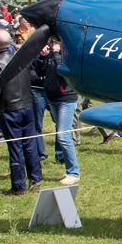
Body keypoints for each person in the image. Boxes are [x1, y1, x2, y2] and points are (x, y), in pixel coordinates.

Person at [0, 29, 41, 195]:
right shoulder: (21, 59)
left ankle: (18, 185)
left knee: (15, 147)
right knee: (29, 144)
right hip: (27, 106)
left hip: (10, 109)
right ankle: (35, 179)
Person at [42, 39, 80, 185]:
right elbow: (41, 71)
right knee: (61, 135)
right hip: (52, 97)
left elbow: (63, 71)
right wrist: (43, 56)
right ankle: (68, 171)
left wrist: (57, 54)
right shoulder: (53, 51)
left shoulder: (68, 51)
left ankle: (74, 172)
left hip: (66, 98)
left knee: (63, 136)